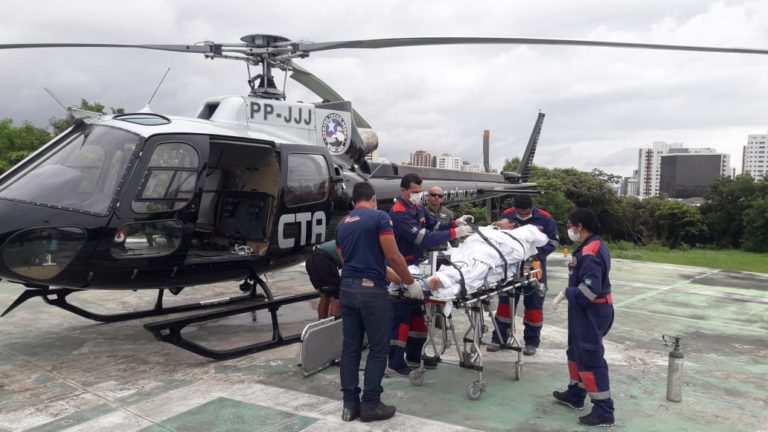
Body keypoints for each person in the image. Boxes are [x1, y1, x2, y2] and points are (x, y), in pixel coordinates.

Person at [335, 181, 421, 423]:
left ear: (353, 202)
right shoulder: (379, 218)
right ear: (373, 198)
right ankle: (371, 404)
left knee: (350, 349)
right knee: (378, 348)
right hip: (372, 293)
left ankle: (350, 405)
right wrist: (411, 282)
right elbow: (392, 255)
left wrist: (392, 276)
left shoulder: (343, 224)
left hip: (347, 289)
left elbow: (347, 260)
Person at [388, 174, 473, 376]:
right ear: (403, 191)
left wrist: (454, 224)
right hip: (403, 268)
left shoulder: (418, 208)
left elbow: (434, 224)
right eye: (414, 192)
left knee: (419, 316)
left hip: (419, 266)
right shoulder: (399, 213)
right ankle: (395, 361)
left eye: (420, 192)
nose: (418, 195)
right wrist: (455, 234)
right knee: (401, 318)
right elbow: (423, 238)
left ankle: (415, 356)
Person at [551, 208, 615, 427]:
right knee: (575, 353)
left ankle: (604, 411)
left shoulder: (590, 251)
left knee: (590, 358)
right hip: (582, 311)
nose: (569, 230)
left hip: (591, 311)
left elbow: (590, 290)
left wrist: (567, 293)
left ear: (580, 227)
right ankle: (576, 395)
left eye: (570, 226)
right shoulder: (588, 247)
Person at [489, 194, 559, 356]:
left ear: (531, 207)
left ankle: (531, 342)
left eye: (525, 212)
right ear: (515, 208)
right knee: (505, 304)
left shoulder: (545, 218)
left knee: (534, 305)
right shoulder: (507, 215)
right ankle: (499, 338)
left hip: (534, 267)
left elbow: (553, 241)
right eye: (519, 212)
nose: (522, 215)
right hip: (511, 267)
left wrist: (534, 253)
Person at [305, 240, 342, 320]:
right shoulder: (358, 246)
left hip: (311, 259)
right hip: (323, 261)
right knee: (336, 299)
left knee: (325, 296)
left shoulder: (344, 239)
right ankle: (333, 329)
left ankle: (322, 325)